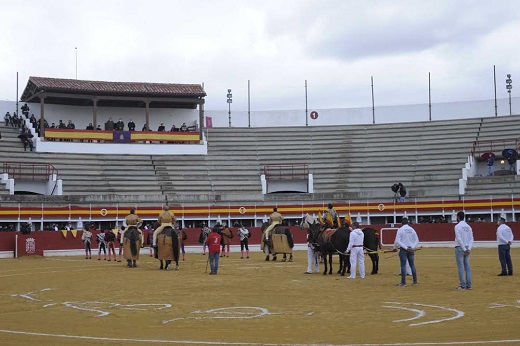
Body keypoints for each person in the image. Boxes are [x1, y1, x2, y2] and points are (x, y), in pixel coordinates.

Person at [395, 217, 419, 286]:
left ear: (401, 223)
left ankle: (403, 282)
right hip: (411, 249)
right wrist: (412, 247)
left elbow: (398, 240)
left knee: (403, 266)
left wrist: (405, 247)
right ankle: (415, 282)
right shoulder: (412, 229)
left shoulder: (400, 229)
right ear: (408, 223)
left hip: (403, 249)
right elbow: (417, 240)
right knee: (412, 265)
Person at [454, 211, 474, 290]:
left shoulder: (457, 226)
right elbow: (471, 238)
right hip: (467, 247)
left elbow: (459, 239)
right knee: (467, 267)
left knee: (461, 267)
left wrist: (464, 249)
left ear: (458, 217)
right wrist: (468, 248)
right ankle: (468, 285)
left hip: (460, 247)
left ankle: (463, 285)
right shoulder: (468, 227)